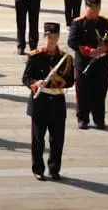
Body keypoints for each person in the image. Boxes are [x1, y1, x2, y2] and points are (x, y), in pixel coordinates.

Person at [23, 22, 75, 181]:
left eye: (54, 37)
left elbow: (71, 81)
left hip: (57, 100)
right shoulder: (35, 56)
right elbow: (26, 78)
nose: (51, 40)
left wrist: (58, 79)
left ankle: (54, 169)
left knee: (57, 139)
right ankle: (38, 169)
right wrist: (36, 83)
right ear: (44, 37)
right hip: (40, 101)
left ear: (58, 37)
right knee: (38, 140)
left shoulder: (65, 58)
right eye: (48, 37)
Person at [67, 0, 108, 130]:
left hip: (101, 64)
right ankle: (82, 119)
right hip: (84, 63)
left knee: (100, 92)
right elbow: (72, 42)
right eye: (91, 7)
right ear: (86, 7)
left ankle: (99, 119)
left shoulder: (106, 23)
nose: (94, 10)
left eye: (97, 7)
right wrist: (88, 51)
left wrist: (105, 49)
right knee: (83, 92)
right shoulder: (78, 23)